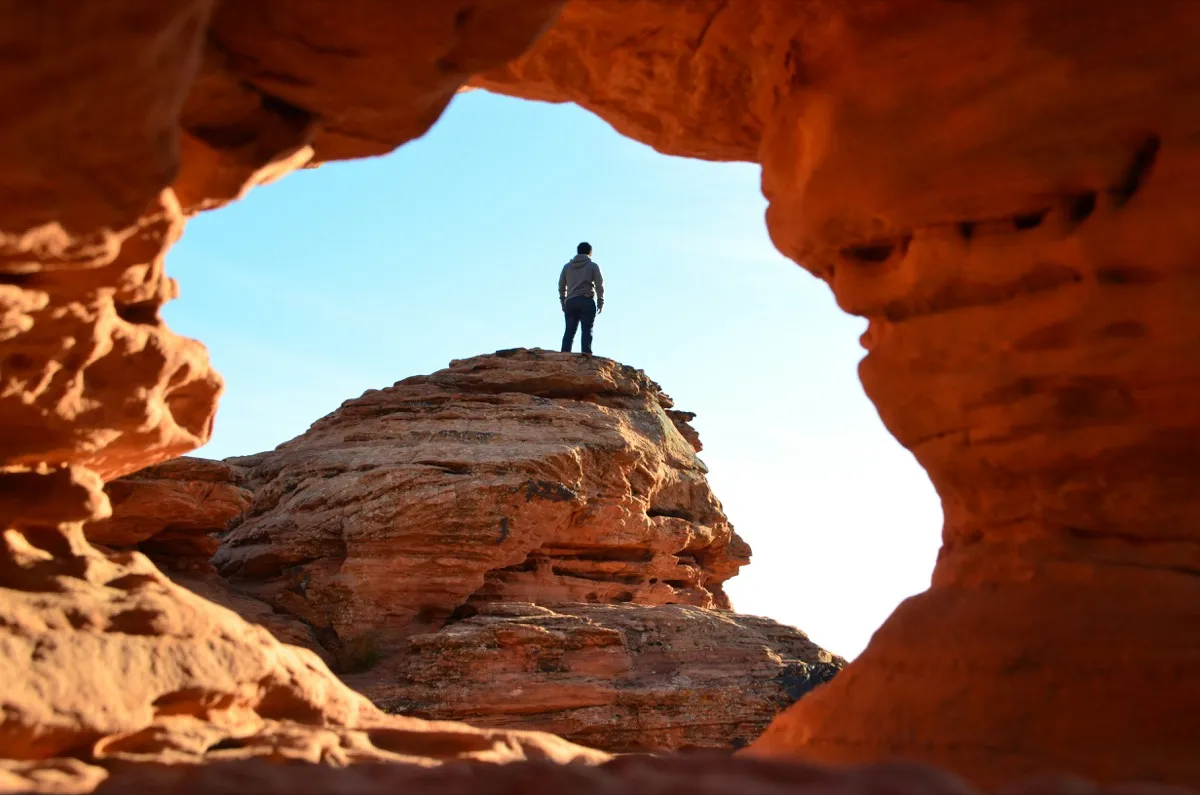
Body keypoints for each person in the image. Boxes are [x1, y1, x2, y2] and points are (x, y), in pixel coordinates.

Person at [558, 241, 604, 355]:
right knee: (587, 331)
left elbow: (561, 285)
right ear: (590, 253)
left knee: (569, 331)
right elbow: (599, 285)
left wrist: (563, 301)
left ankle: (564, 356)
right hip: (586, 300)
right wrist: (600, 301)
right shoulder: (593, 266)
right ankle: (586, 356)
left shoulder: (567, 267)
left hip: (571, 301)